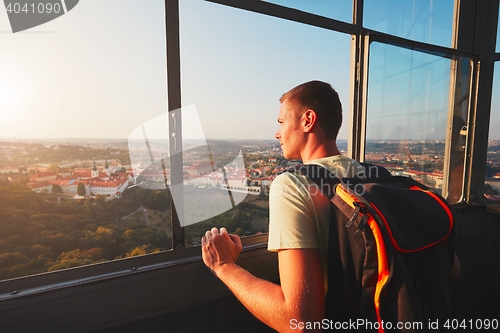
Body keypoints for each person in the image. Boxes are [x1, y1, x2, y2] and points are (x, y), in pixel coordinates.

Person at [201, 80, 365, 332]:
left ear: (307, 120)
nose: (277, 133)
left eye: (281, 122)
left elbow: (301, 322)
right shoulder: (374, 176)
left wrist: (224, 266)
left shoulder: (292, 185)